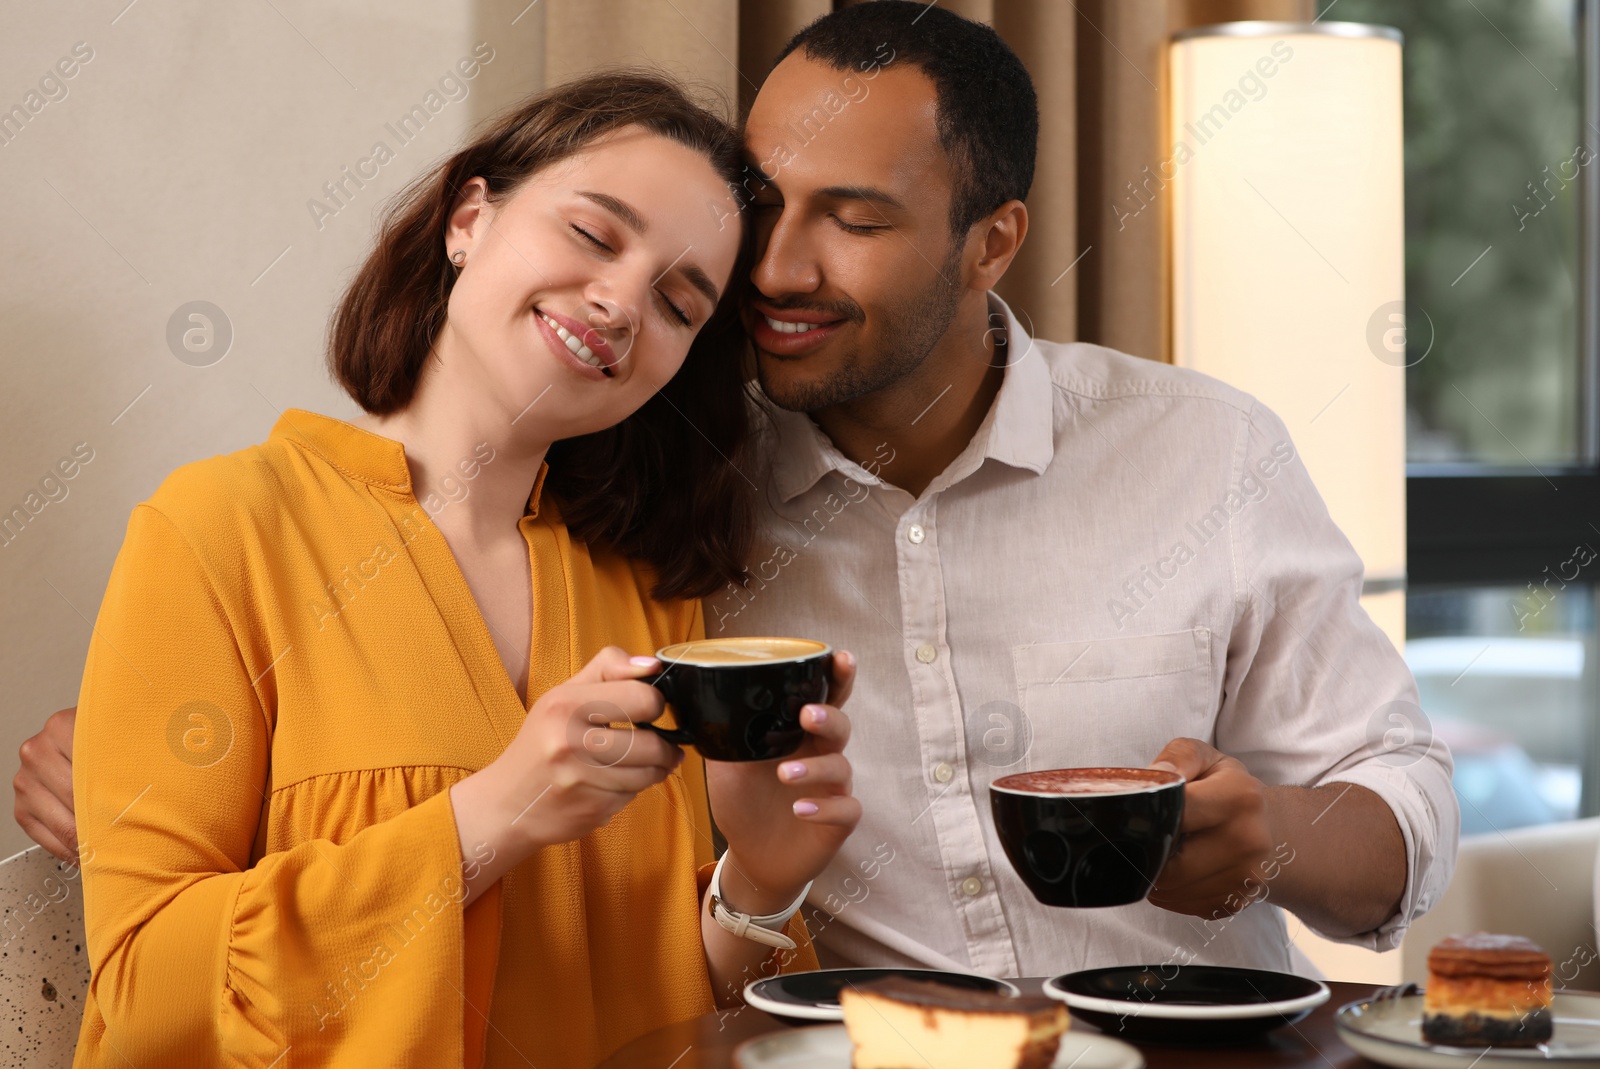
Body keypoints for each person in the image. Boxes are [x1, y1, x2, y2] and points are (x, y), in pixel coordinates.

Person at [18, 0, 1458, 990]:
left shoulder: (1204, 452)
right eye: (762, 210)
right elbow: (388, 659)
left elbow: (1402, 800)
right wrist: (179, 740)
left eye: (858, 218)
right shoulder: (661, 502)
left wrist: (1271, 835)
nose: (772, 273)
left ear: (991, 241)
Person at [26, 71, 861, 1069]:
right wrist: (491, 816)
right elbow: (143, 991)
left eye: (679, 302)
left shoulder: (654, 598)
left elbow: (666, 1005)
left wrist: (759, 883)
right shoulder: (221, 528)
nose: (619, 302)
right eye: (595, 235)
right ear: (470, 217)